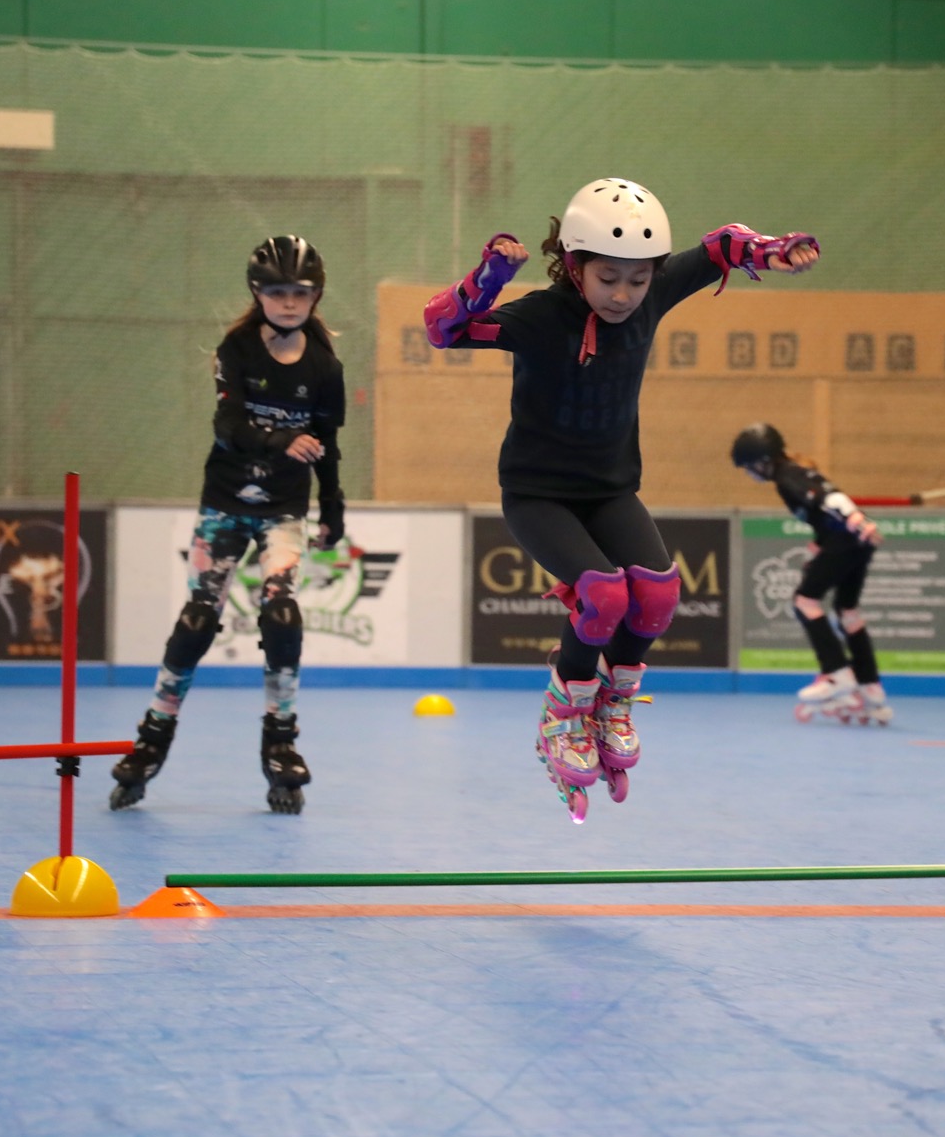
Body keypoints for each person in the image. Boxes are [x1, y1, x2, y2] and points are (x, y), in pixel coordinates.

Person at [424, 178, 818, 821]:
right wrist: (489, 277)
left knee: (659, 594)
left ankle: (613, 704)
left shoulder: (650, 294)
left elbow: (719, 249)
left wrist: (770, 252)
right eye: (608, 278)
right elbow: (445, 329)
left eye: (638, 280)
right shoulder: (540, 317)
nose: (624, 295)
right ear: (575, 266)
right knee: (604, 595)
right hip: (537, 496)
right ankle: (563, 711)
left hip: (610, 490)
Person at [109, 236, 345, 815]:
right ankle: (152, 738)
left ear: (315, 297)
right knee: (197, 618)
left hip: (285, 511)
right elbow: (227, 426)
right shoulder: (237, 348)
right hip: (225, 503)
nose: (289, 303)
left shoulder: (324, 367)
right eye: (277, 292)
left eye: (300, 293)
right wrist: (282, 439)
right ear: (258, 293)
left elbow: (329, 446)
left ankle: (281, 741)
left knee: (281, 612)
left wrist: (334, 507)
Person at [729, 422, 888, 725]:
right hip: (852, 542)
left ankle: (838, 674)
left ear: (762, 461)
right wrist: (819, 545)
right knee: (848, 611)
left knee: (805, 602)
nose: (749, 475)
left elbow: (831, 498)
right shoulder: (795, 472)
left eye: (749, 467)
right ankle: (871, 688)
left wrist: (855, 518)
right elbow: (823, 514)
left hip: (847, 539)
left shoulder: (788, 476)